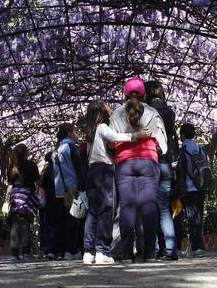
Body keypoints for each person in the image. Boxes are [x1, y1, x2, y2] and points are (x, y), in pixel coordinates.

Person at [82, 100, 150, 265]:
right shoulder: (102, 128)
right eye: (106, 108)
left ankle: (88, 251)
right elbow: (116, 137)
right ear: (101, 113)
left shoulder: (89, 133)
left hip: (91, 171)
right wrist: (136, 135)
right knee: (106, 210)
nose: (110, 110)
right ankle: (102, 251)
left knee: (92, 212)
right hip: (104, 170)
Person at [109, 77, 168, 262]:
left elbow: (110, 142)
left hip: (124, 163)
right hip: (148, 162)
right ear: (144, 94)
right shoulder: (152, 111)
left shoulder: (116, 114)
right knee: (149, 206)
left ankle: (127, 254)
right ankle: (150, 253)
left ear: (125, 94)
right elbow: (163, 143)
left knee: (127, 207)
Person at [145, 80, 179, 261]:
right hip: (166, 162)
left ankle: (155, 249)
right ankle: (171, 249)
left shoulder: (146, 111)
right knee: (164, 208)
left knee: (150, 207)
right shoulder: (170, 112)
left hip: (151, 160)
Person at [52, 123, 86, 260]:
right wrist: (83, 186)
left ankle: (61, 250)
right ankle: (71, 250)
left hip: (60, 189)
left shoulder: (56, 150)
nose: (77, 134)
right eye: (76, 131)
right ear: (70, 133)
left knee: (61, 220)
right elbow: (79, 169)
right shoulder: (71, 147)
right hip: (73, 187)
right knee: (74, 219)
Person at [174, 123, 207, 257]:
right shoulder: (199, 149)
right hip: (201, 186)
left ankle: (197, 248)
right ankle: (198, 246)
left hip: (189, 187)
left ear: (182, 134)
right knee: (198, 217)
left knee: (192, 218)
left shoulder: (183, 150)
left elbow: (179, 169)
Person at [8, 144, 40, 262]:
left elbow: (10, 180)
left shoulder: (12, 165)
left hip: (15, 195)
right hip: (27, 195)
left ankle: (14, 253)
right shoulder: (31, 164)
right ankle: (26, 253)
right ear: (26, 153)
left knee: (15, 225)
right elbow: (36, 178)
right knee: (25, 224)